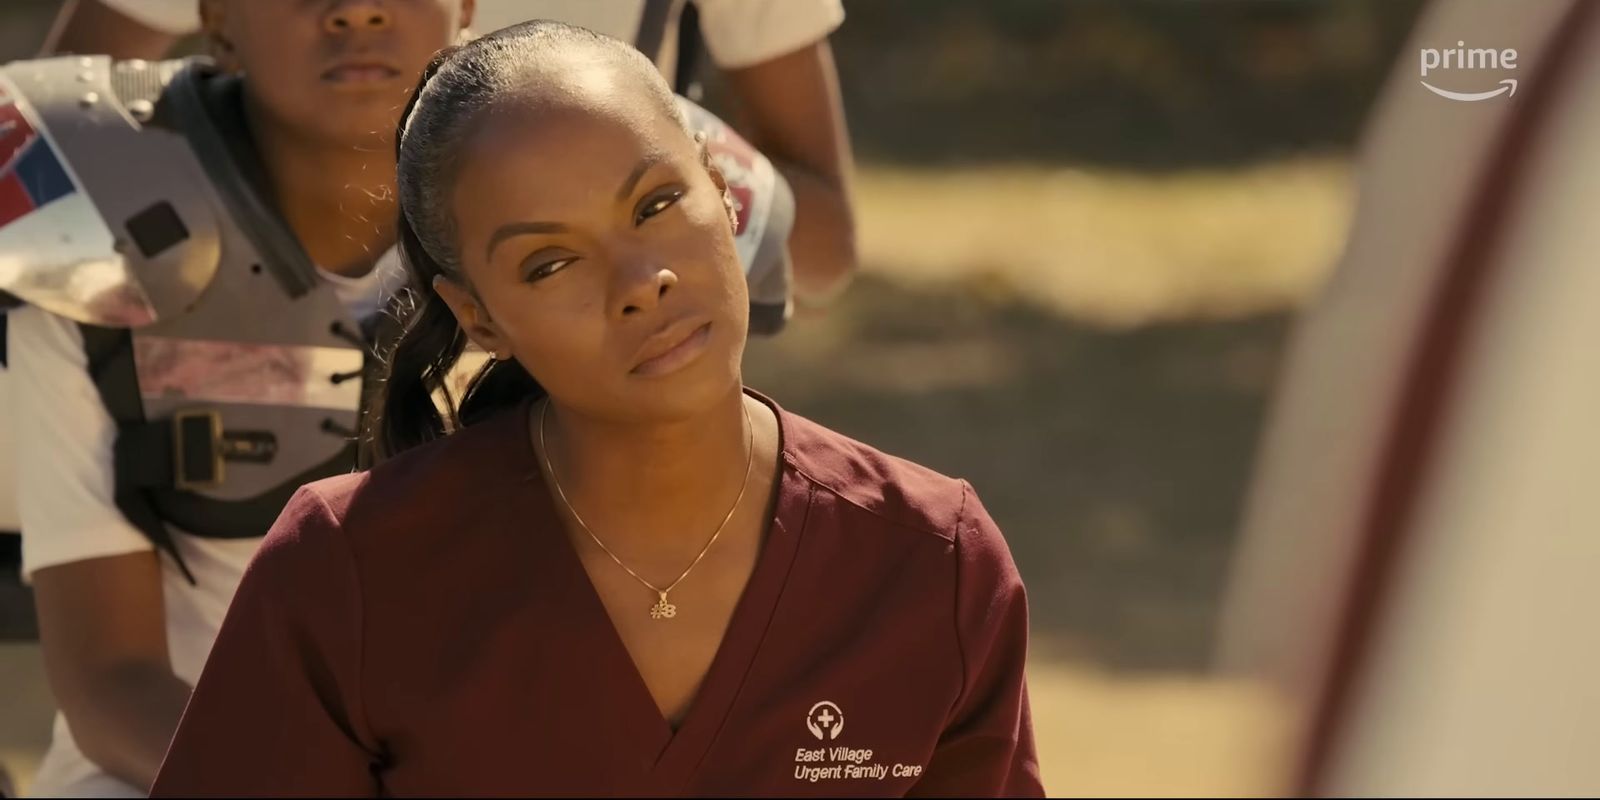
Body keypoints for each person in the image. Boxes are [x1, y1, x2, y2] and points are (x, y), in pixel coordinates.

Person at [152, 22, 1041, 797]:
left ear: (724, 195)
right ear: (481, 317)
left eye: (657, 204)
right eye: (550, 262)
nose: (639, 282)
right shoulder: (344, 570)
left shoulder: (933, 563)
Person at [3, 1, 793, 794]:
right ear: (217, 16)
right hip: (175, 766)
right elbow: (110, 678)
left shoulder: (604, 196)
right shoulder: (93, 256)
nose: (357, 10)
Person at [43, 0, 859, 308]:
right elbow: (54, 176)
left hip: (572, 388)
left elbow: (821, 245)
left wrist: (636, 170)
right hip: (255, 370)